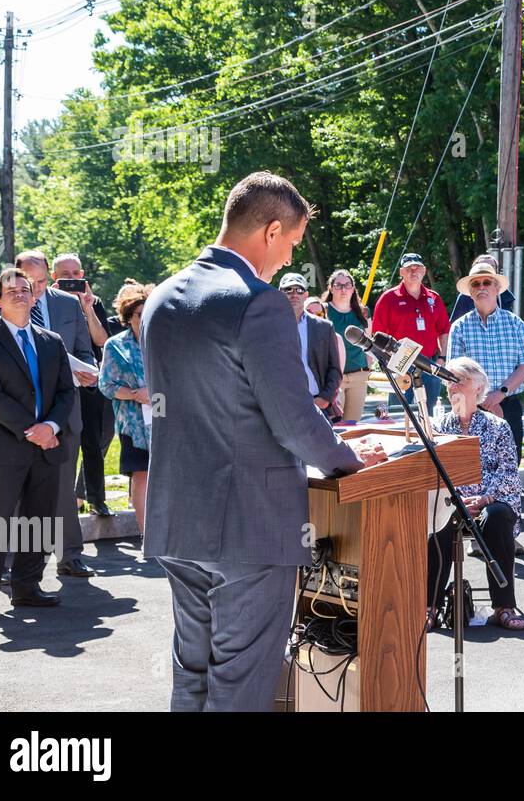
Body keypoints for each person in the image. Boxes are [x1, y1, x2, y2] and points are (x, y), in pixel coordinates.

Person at [142, 171, 383, 711]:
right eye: (291, 244)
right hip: (247, 528)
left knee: (193, 675)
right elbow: (293, 421)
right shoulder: (259, 303)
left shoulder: (161, 297)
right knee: (240, 688)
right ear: (272, 231)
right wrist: (351, 462)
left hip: (178, 519)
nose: (284, 262)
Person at [0, 268, 77, 619]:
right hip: (8, 444)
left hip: (48, 443)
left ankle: (27, 587)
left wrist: (53, 427)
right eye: (10, 290)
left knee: (40, 518)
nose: (18, 293)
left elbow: (65, 391)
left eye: (24, 288)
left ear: (34, 295)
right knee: (1, 520)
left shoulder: (51, 341)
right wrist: (35, 429)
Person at [0, 250, 98, 578]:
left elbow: (84, 350)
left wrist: (87, 371)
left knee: (59, 489)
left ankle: (69, 555)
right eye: (33, 282)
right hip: (15, 418)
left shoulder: (68, 303)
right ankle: (6, 565)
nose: (39, 289)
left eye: (44, 281)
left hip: (62, 412)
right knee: (11, 496)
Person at [426, 358, 524, 630]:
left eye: (459, 380)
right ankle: (430, 605)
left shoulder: (497, 427)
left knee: (496, 517)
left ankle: (504, 606)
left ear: (478, 387)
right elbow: (431, 473)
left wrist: (485, 498)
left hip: (489, 500)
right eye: (449, 381)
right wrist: (457, 499)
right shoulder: (436, 427)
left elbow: (508, 473)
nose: (451, 386)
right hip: (450, 500)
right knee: (439, 519)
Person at [52, 253, 116, 519]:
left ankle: (95, 499)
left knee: (95, 439)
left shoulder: (94, 302)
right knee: (63, 442)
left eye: (76, 274)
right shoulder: (46, 303)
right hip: (57, 380)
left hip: (89, 379)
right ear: (54, 278)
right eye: (65, 275)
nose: (72, 280)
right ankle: (62, 500)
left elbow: (101, 341)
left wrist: (87, 308)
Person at [447, 260, 524, 453]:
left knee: (510, 462)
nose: (481, 287)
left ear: (497, 288)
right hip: (471, 407)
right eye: (476, 284)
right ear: (470, 291)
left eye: (486, 282)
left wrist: (499, 394)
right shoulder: (459, 327)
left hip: (509, 403)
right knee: (473, 466)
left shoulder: (515, 324)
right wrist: (485, 400)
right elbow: (454, 373)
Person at [98, 281, 155, 532]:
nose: (145, 319)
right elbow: (106, 385)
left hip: (166, 417)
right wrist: (135, 394)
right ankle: (146, 534)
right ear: (128, 316)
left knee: (167, 477)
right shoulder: (116, 345)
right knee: (141, 474)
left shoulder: (164, 340)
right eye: (141, 315)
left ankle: (169, 534)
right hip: (133, 422)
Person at [372, 254, 451, 407]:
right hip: (399, 364)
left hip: (429, 363)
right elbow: (377, 335)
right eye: (409, 268)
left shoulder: (433, 298)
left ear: (424, 271)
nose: (413, 272)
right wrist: (387, 361)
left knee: (430, 412)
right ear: (401, 272)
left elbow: (444, 331)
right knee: (400, 412)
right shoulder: (388, 298)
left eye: (417, 268)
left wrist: (442, 357)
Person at [278, 273, 343, 421]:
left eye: (299, 290)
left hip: (317, 404)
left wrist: (325, 398)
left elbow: (335, 369)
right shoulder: (269, 326)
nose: (294, 294)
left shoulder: (324, 327)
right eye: (288, 289)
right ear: (279, 293)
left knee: (323, 445)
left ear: (306, 294)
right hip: (282, 406)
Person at [323, 269, 373, 422]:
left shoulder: (363, 312)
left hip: (359, 374)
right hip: (333, 378)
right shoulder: (323, 310)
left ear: (353, 288)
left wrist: (368, 368)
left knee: (353, 425)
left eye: (347, 285)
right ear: (331, 288)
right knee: (335, 425)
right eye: (338, 285)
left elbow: (369, 343)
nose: (343, 289)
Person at [449, 253, 515, 322]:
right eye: (476, 284)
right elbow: (454, 322)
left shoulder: (505, 296)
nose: (481, 287)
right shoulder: (464, 297)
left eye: (491, 266)